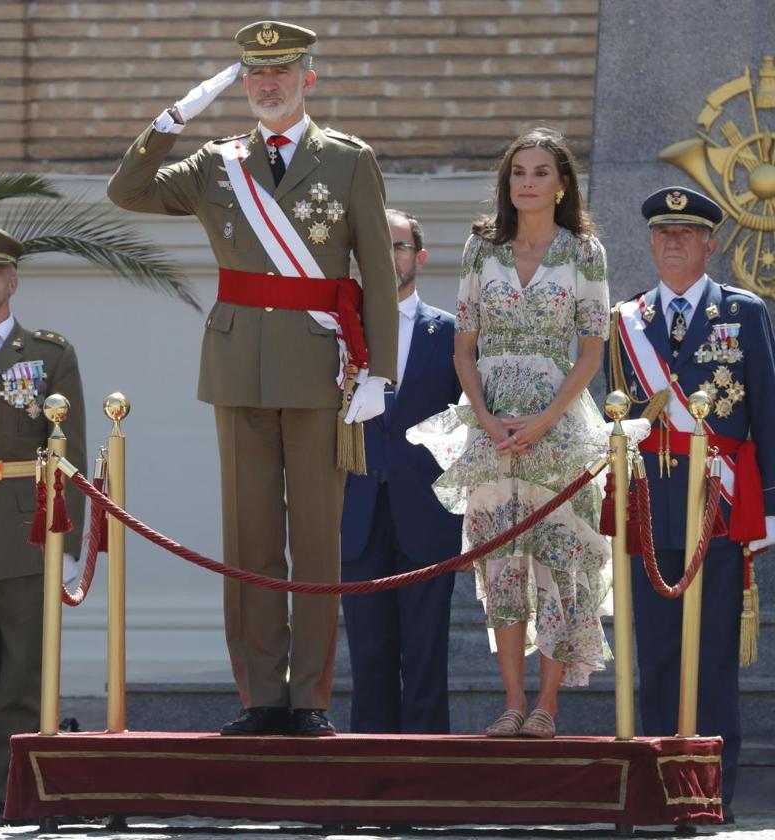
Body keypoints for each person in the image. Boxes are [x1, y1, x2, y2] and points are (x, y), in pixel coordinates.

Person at [107, 20, 399, 737]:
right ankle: (262, 694)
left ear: (309, 77)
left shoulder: (348, 160)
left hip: (319, 369)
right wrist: (172, 119)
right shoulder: (216, 162)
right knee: (250, 537)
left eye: (282, 72)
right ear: (242, 83)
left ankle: (311, 699)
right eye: (255, 74)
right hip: (238, 367)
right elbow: (127, 192)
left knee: (318, 543)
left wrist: (380, 372)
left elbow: (380, 275)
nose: (268, 85)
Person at [408, 128, 612, 739]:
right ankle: (513, 703)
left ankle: (547, 707)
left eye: (540, 172)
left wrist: (546, 420)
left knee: (559, 563)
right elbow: (463, 348)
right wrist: (490, 419)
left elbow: (592, 352)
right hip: (490, 427)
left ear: (562, 183)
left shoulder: (585, 254)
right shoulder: (481, 249)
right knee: (501, 567)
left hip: (561, 428)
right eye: (518, 172)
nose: (527, 182)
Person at [606, 186, 775, 814]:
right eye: (663, 233)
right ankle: (655, 789)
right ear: (650, 242)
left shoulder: (743, 312)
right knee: (655, 654)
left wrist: (772, 507)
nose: (673, 242)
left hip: (720, 510)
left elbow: (768, 408)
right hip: (650, 510)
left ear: (711, 243)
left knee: (712, 659)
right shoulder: (627, 321)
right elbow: (617, 418)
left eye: (687, 233)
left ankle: (709, 792)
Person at [0, 225, 87, 828]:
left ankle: (22, 794)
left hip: (29, 530)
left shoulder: (49, 353)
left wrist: (73, 542)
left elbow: (70, 450)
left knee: (25, 672)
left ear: (12, 281)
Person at [339, 209, 462, 734]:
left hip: (427, 514)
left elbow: (468, 423)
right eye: (379, 246)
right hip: (357, 509)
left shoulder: (453, 334)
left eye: (400, 246)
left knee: (427, 655)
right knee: (369, 657)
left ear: (420, 257)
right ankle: (370, 780)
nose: (390, 257)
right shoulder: (338, 332)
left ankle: (428, 779)